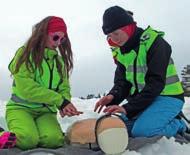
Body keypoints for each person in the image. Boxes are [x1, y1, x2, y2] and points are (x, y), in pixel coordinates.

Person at [94, 6, 188, 138]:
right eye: (110, 35)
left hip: (168, 97)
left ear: (128, 27)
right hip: (144, 99)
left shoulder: (154, 43)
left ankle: (178, 124)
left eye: (116, 33)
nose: (114, 39)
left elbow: (156, 83)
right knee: (116, 127)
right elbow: (122, 82)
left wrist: (128, 108)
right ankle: (151, 119)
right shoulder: (120, 51)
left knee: (142, 132)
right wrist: (112, 96)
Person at [6, 16, 83, 150]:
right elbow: (27, 89)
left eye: (62, 39)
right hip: (21, 108)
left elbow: (64, 87)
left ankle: (37, 132)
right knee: (27, 140)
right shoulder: (24, 54)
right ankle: (2, 133)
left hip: (45, 111)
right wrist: (60, 101)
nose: (58, 42)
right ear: (43, 34)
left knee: (54, 140)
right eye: (55, 37)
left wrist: (65, 104)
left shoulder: (58, 62)